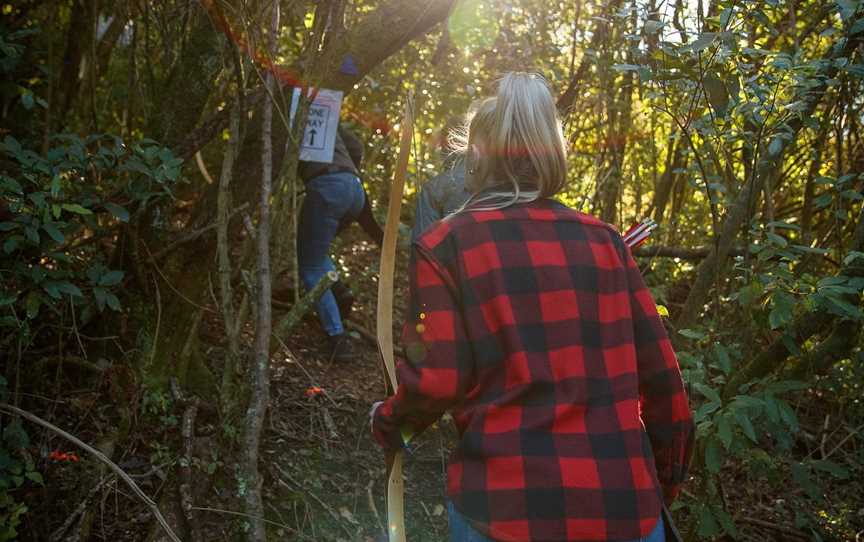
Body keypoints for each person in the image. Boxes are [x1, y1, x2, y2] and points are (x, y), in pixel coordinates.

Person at [371, 73, 694, 542]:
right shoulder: (604, 240)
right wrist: (655, 488)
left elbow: (435, 382)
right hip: (624, 508)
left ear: (476, 154)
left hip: (504, 514)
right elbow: (665, 385)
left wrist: (386, 424)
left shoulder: (446, 244)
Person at [298, 123, 382, 362]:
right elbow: (355, 144)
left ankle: (337, 338)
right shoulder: (324, 110)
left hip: (327, 187)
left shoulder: (293, 107)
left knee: (310, 266)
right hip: (354, 188)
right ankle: (337, 291)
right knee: (315, 250)